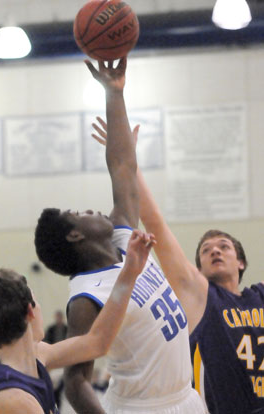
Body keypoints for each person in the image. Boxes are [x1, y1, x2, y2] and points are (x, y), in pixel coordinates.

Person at [34, 58, 206, 414]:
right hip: (144, 408)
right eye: (79, 213)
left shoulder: (120, 239)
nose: (93, 210)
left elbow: (123, 168)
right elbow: (76, 382)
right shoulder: (85, 297)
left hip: (185, 397)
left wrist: (114, 93)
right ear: (76, 236)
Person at [92, 117, 264, 414]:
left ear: (242, 261)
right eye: (206, 250)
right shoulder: (203, 296)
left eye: (224, 246)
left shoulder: (259, 296)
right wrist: (129, 161)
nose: (215, 251)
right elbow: (154, 221)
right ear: (197, 268)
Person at [0, 230, 155, 414]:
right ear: (30, 312)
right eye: (37, 301)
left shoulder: (37, 355)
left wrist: (130, 272)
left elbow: (97, 342)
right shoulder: (13, 399)